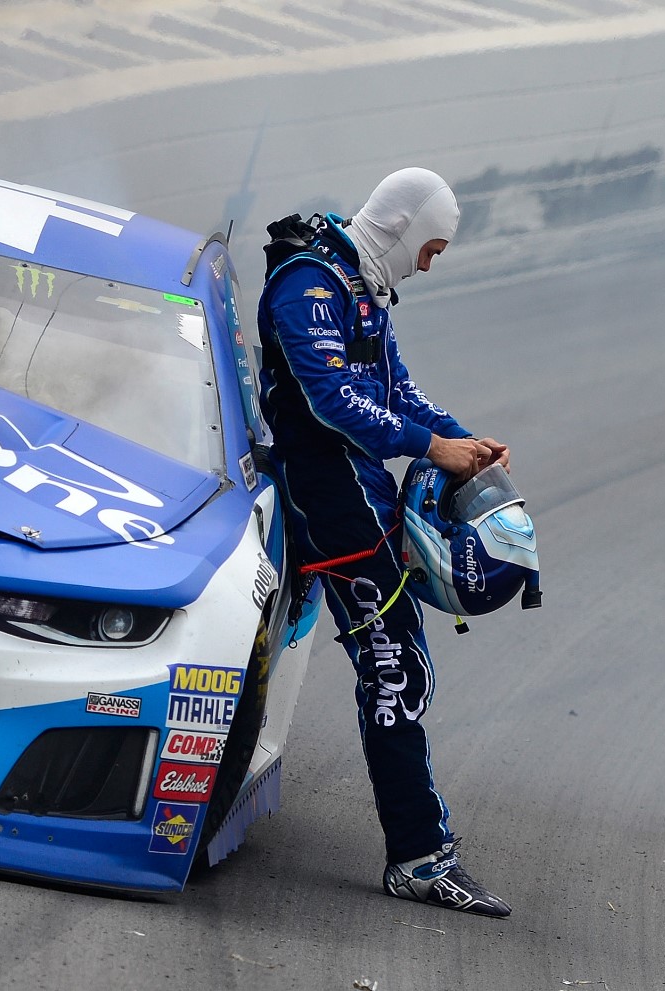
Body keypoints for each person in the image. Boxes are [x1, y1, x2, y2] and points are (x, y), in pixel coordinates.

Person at [255, 168, 513, 917]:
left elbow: (394, 388)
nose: (427, 265)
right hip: (330, 499)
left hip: (358, 489)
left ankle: (420, 852)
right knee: (397, 669)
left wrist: (466, 440)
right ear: (401, 226)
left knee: (404, 666)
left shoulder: (359, 282)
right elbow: (333, 400)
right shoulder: (309, 285)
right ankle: (420, 858)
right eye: (429, 248)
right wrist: (432, 449)